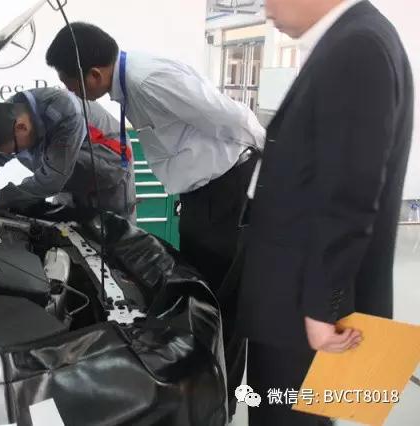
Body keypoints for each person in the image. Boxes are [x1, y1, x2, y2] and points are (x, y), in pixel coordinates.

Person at [46, 22, 266, 416]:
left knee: (221, 308)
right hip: (204, 197)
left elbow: (229, 116)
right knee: (206, 300)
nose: (70, 91)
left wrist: (266, 159)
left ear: (93, 74)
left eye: (69, 82)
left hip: (224, 192)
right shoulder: (131, 83)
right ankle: (213, 394)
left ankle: (223, 403)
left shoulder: (149, 80)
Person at [236, 1, 414, 424]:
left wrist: (323, 310)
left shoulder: (359, 46)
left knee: (290, 417)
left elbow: (349, 192)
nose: (266, 11)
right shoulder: (355, 37)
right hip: (297, 299)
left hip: (303, 309)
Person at [0, 87, 136, 222]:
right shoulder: (12, 113)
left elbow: (52, 180)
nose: (14, 154)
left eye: (15, 151)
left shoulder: (64, 112)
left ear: (22, 127)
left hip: (108, 171)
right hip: (67, 176)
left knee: (112, 241)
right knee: (64, 228)